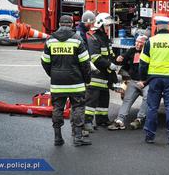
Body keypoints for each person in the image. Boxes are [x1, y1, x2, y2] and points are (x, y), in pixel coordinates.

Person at [41, 15, 92, 147]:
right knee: (78, 108)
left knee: (57, 108)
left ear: (59, 24)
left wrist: (53, 74)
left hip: (57, 84)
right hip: (76, 83)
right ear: (71, 24)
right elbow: (85, 63)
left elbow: (45, 62)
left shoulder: (50, 40)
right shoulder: (77, 39)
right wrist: (87, 79)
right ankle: (78, 138)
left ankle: (58, 138)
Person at [139, 16, 169, 145]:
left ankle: (149, 136)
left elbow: (143, 63)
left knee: (152, 108)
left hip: (154, 79)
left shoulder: (150, 42)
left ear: (157, 27)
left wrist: (143, 79)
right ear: (168, 27)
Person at [84, 12, 118, 131]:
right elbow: (95, 57)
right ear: (100, 25)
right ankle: (87, 122)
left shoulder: (104, 38)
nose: (108, 28)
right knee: (92, 99)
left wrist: (115, 62)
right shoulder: (93, 37)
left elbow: (110, 54)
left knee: (104, 98)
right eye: (107, 26)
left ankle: (102, 120)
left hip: (104, 75)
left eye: (109, 26)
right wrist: (110, 64)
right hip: (95, 75)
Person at [108, 35, 149, 130]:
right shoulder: (132, 50)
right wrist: (119, 58)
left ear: (146, 44)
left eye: (141, 43)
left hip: (146, 82)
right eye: (137, 42)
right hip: (133, 81)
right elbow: (122, 61)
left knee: (147, 97)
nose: (138, 45)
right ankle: (119, 121)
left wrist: (145, 82)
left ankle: (139, 119)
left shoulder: (151, 52)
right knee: (127, 99)